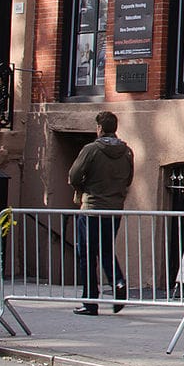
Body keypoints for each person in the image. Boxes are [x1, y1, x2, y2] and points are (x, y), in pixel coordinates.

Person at [69, 110, 134, 316]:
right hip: (114, 209)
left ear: (99, 128)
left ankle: (90, 302)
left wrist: (85, 187)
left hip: (92, 208)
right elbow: (129, 179)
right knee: (106, 250)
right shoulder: (127, 152)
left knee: (86, 254)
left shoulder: (91, 150)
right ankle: (118, 283)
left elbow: (74, 175)